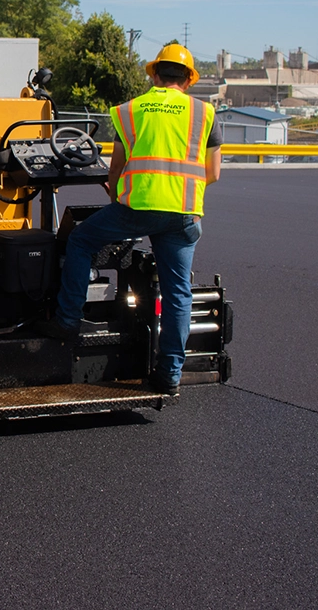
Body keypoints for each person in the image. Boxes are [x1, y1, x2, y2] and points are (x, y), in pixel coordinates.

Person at [34, 43, 222, 395]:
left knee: (81, 240)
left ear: (154, 74)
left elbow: (116, 168)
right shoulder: (204, 113)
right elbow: (213, 172)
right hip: (183, 214)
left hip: (135, 209)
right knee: (178, 293)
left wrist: (120, 193)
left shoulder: (130, 110)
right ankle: (168, 376)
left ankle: (67, 321)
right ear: (190, 78)